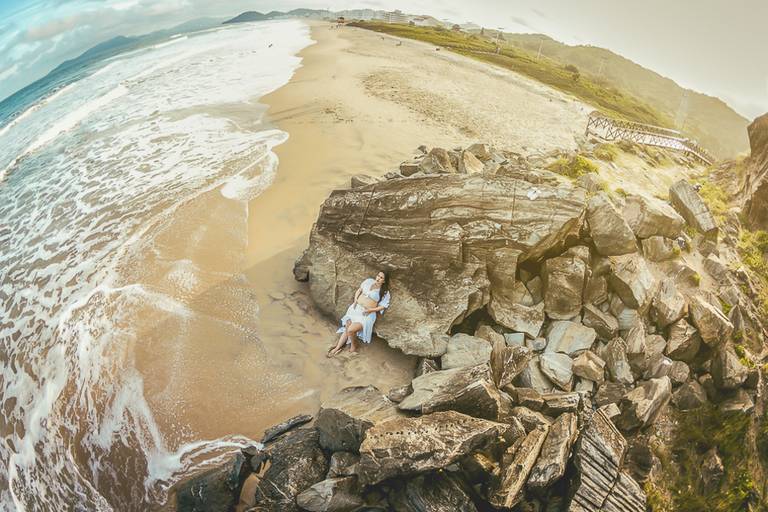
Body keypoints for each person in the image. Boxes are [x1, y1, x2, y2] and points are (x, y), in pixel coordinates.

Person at [327, 271, 391, 357]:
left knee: (351, 330)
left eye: (381, 278)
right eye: (378, 276)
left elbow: (383, 306)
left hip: (366, 315)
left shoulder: (385, 292)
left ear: (384, 281)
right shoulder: (368, 281)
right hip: (355, 310)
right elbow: (359, 290)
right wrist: (355, 299)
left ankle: (354, 346)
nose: (378, 278)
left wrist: (371, 310)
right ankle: (337, 347)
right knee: (347, 328)